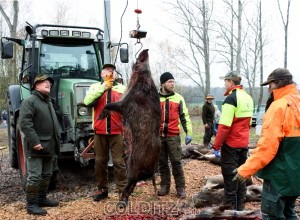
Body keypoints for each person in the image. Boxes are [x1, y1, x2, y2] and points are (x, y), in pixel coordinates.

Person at [234, 68, 300, 219]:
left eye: (269, 85)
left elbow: (267, 147)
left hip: (279, 176)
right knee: (289, 213)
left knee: (272, 216)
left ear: (278, 83)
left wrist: (245, 170)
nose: (268, 89)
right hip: (296, 176)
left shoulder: (278, 107)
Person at [83, 64, 127, 201]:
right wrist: (104, 87)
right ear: (102, 74)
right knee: (100, 162)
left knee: (119, 162)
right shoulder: (95, 87)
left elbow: (128, 108)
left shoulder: (122, 89)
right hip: (100, 131)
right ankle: (102, 190)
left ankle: (123, 193)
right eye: (107, 70)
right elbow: (87, 101)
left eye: (112, 70)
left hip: (117, 131)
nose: (110, 72)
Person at [19, 74, 60, 215]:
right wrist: (35, 141)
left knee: (47, 174)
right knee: (35, 176)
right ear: (36, 86)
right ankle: (31, 204)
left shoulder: (47, 102)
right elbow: (24, 123)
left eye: (49, 82)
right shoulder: (30, 101)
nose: (48, 84)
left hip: (49, 146)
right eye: (44, 82)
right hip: (37, 146)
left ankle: (42, 199)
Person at [212, 71, 253, 211]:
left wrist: (216, 145)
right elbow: (249, 124)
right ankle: (240, 207)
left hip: (231, 145)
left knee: (230, 178)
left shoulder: (231, 99)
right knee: (241, 175)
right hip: (244, 143)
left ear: (230, 82)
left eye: (225, 81)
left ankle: (230, 210)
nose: (224, 84)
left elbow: (224, 127)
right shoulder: (248, 97)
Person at [157, 72, 193, 198]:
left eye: (173, 81)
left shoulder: (178, 98)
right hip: (158, 136)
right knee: (162, 162)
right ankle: (164, 186)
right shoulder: (155, 98)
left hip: (173, 136)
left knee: (176, 162)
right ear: (162, 83)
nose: (172, 84)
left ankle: (180, 187)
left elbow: (184, 117)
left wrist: (189, 132)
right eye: (169, 82)